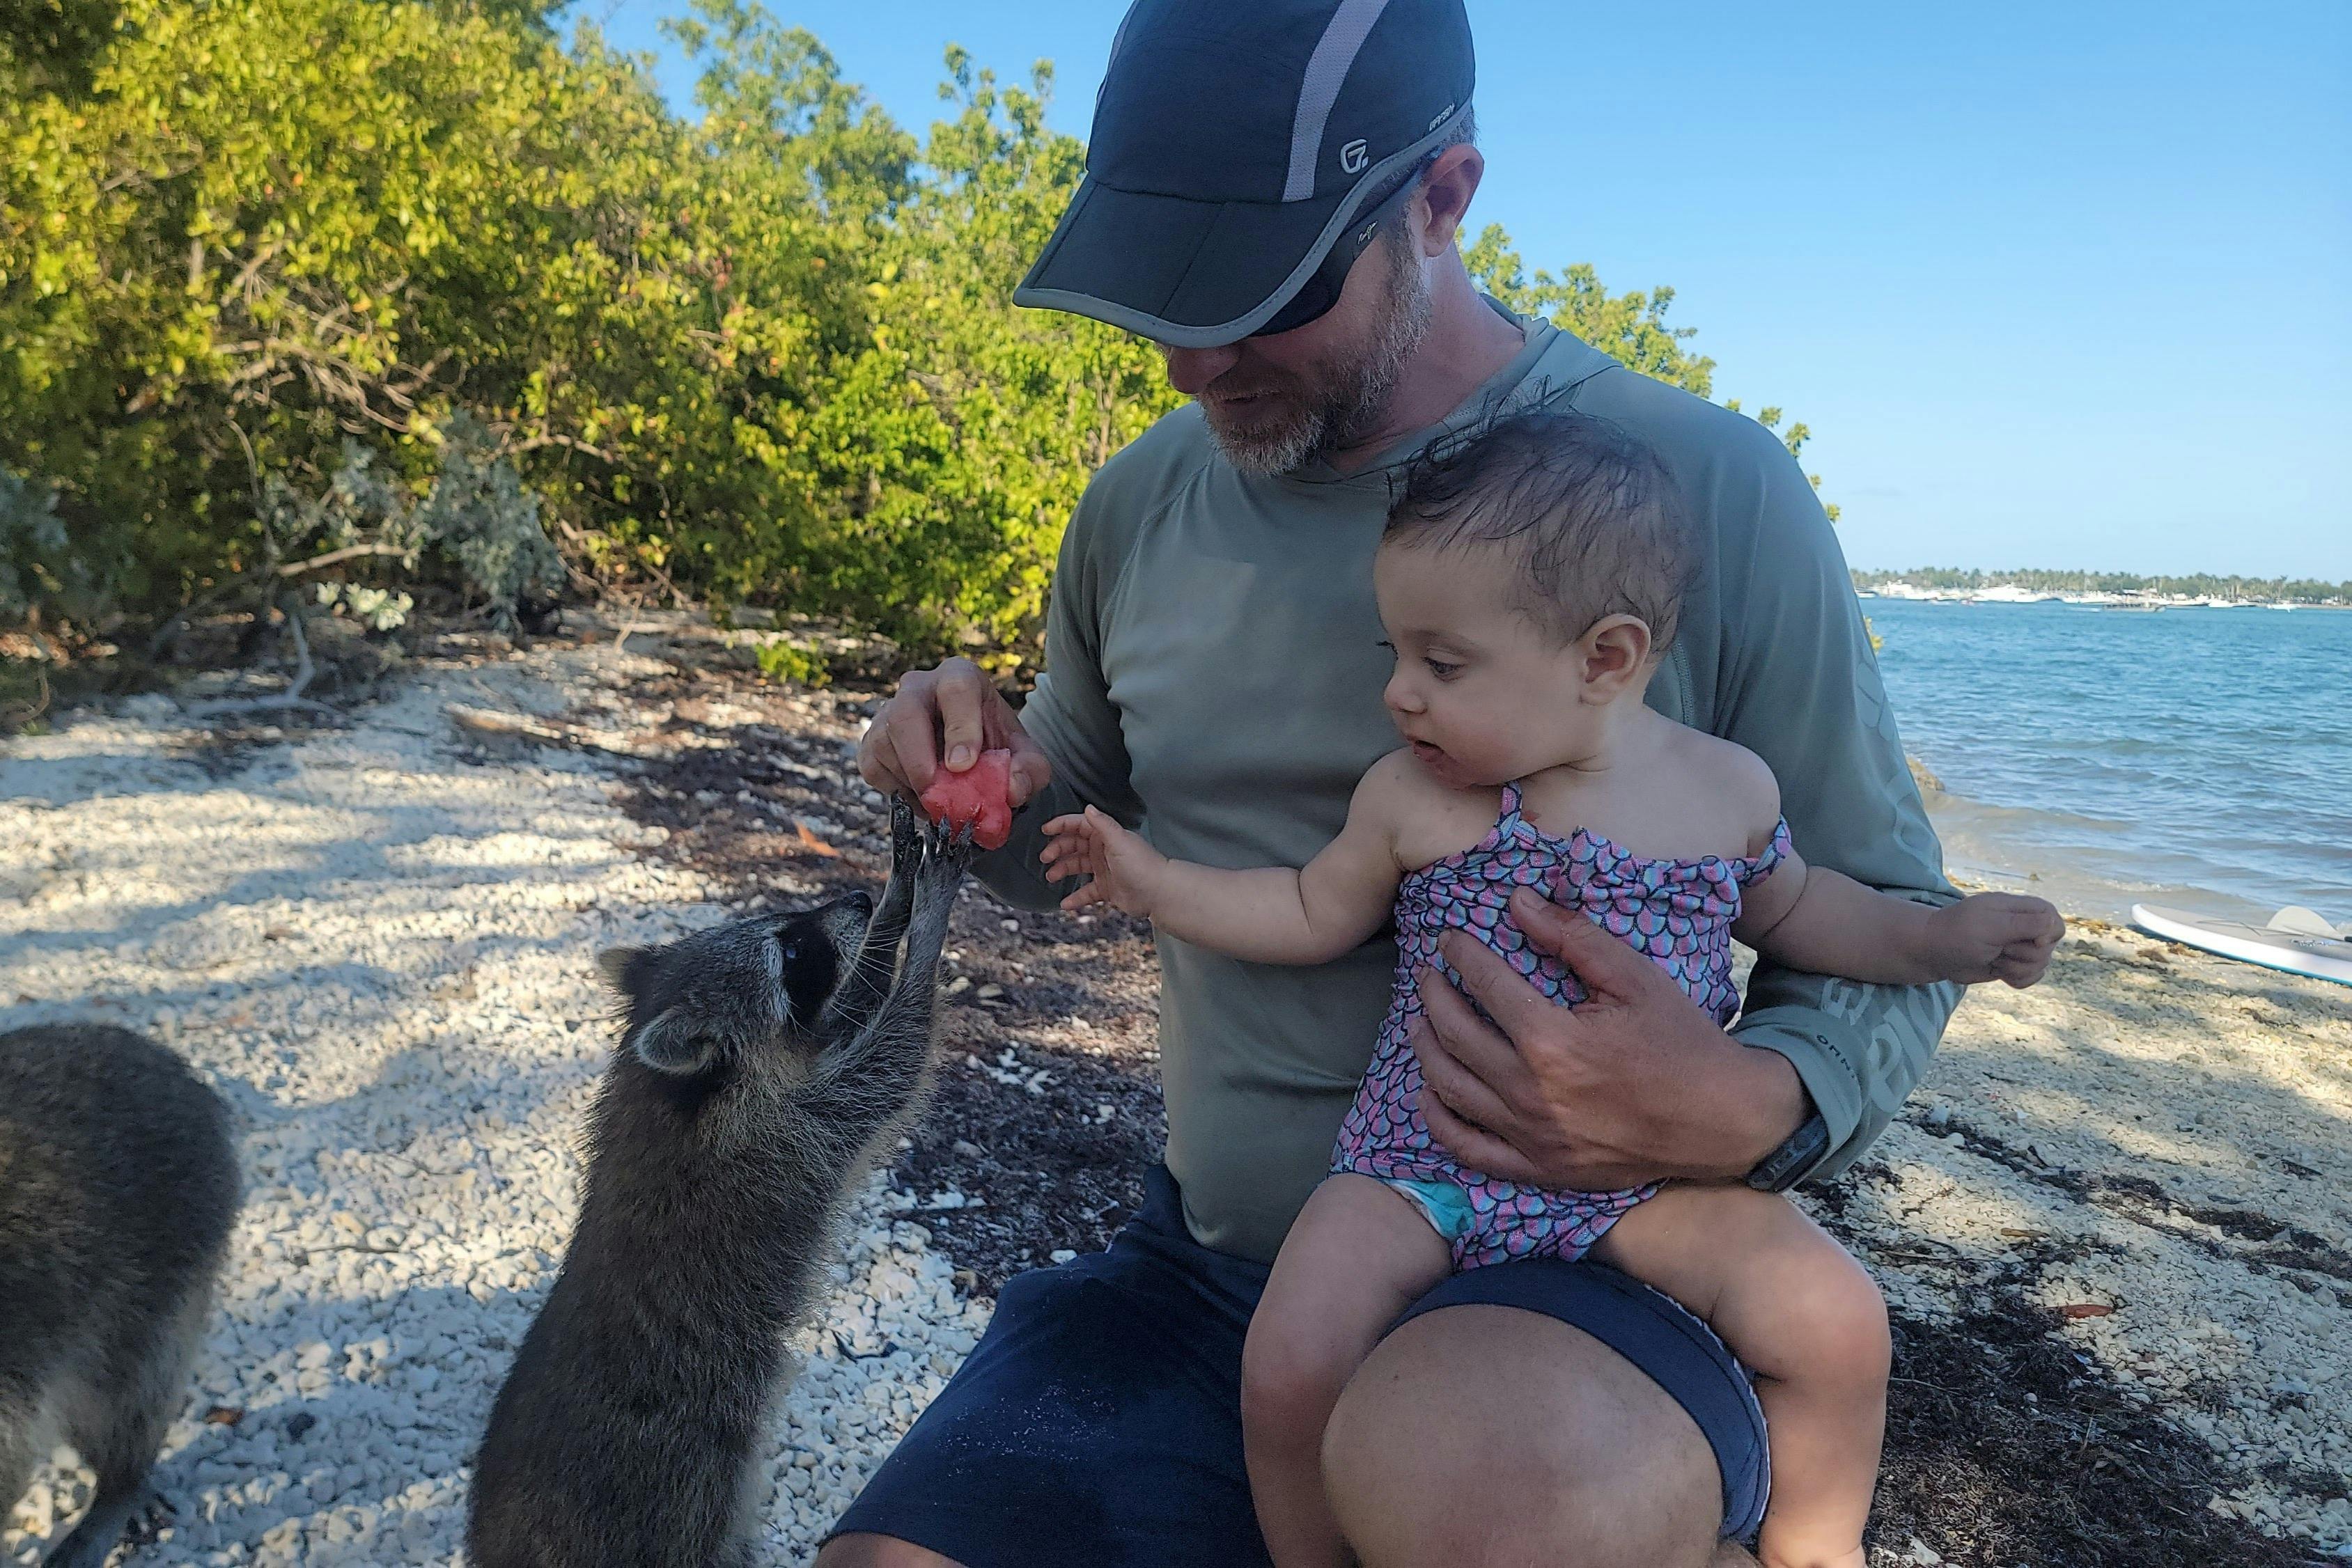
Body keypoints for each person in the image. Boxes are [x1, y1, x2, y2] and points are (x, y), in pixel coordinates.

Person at [830, 1, 1973, 1563]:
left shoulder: (1706, 488)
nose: (1195, 358)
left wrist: (1751, 1102)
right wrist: (964, 779)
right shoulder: (1137, 508)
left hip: (1588, 1268)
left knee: (1486, 1504)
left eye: (1261, 289)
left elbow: (1890, 909)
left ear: (1442, 197)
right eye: (1166, 291)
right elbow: (1066, 844)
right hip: (1212, 1274)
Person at [1036, 407, 2064, 1568]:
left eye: (1442, 665)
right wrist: (1150, 880)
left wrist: (1945, 940)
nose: (1398, 695)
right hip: (1412, 1168)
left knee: (1835, 1321)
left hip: (1641, 1179)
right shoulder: (1415, 800)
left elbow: (1809, 914)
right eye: (1395, 655)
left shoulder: (1724, 793)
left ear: (1604, 660)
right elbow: (1304, 910)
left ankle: (1815, 1553)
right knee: (1287, 1365)